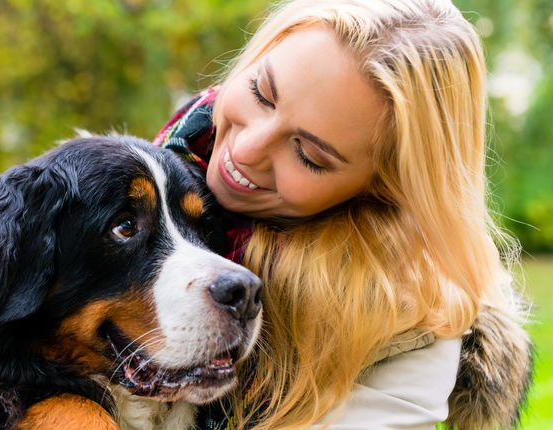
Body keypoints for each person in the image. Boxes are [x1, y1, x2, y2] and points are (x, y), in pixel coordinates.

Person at [153, 0, 533, 428]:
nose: (244, 150)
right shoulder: (147, 177)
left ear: (383, 190)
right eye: (261, 92)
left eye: (309, 154)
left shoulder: (405, 328)